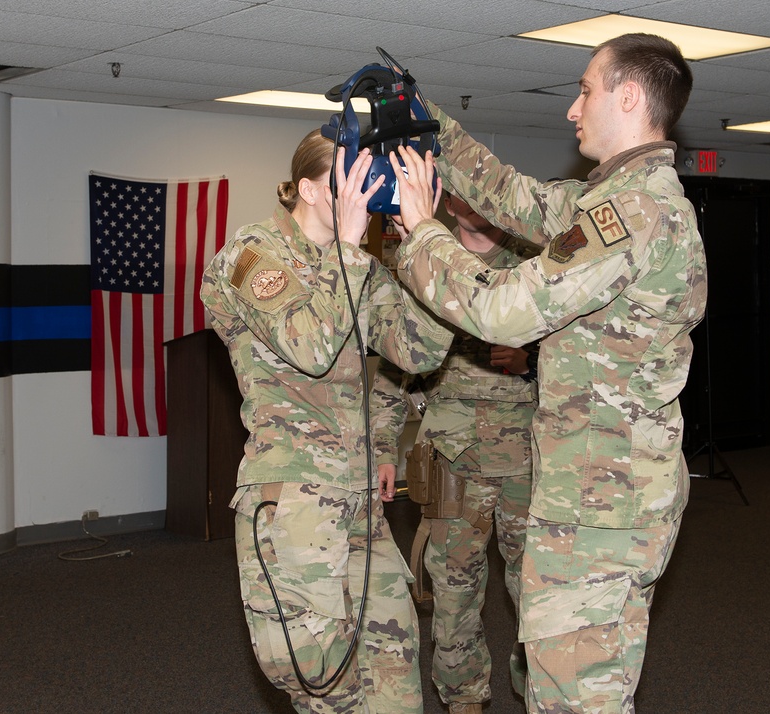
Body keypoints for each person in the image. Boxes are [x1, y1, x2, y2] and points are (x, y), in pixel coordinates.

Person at [388, 33, 708, 713]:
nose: (572, 108)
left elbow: (503, 311)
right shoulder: (620, 201)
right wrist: (427, 120)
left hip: (600, 505)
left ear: (628, 96)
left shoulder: (632, 213)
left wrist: (422, 231)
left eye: (586, 89)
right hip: (601, 493)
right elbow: (512, 197)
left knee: (573, 698)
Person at [200, 129, 452, 713]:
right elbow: (309, 346)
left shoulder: (360, 265)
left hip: (359, 500)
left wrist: (427, 242)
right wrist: (346, 248)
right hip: (294, 499)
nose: (367, 194)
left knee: (394, 664)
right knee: (320, 678)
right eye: (354, 179)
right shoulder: (251, 256)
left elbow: (421, 350)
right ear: (311, 189)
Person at [369, 191, 540, 714]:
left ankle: (542, 692)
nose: (473, 201)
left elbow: (586, 358)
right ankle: (464, 699)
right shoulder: (426, 263)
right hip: (452, 460)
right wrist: (382, 447)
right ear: (445, 201)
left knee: (536, 589)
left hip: (527, 461)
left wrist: (532, 358)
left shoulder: (532, 270)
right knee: (453, 589)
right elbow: (394, 365)